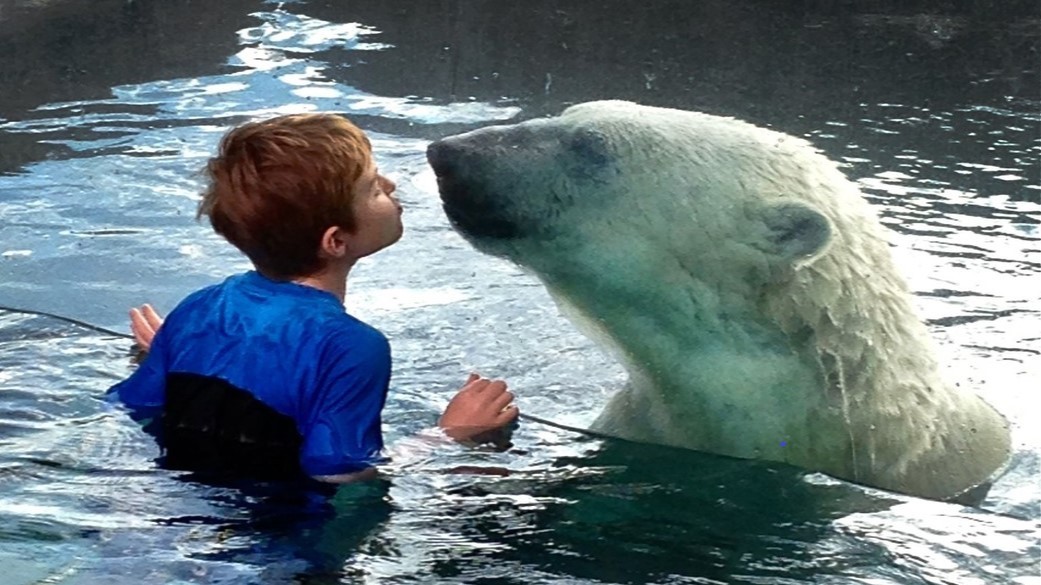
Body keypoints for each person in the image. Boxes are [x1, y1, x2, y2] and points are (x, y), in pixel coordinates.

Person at [107, 113, 519, 483]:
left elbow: (135, 406)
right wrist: (448, 433)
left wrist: (169, 351)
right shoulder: (352, 346)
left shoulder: (201, 307)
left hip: (172, 500)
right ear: (336, 241)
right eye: (373, 188)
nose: (391, 186)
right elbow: (339, 472)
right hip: (277, 536)